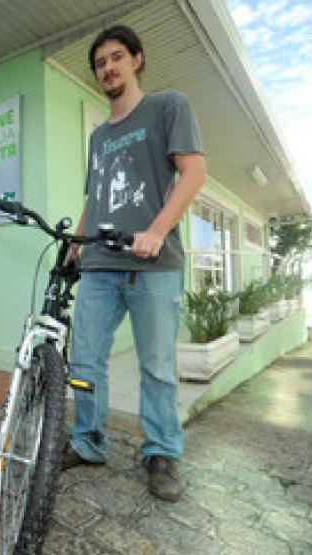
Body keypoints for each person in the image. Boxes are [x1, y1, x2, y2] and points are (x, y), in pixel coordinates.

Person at [61, 25, 206, 502]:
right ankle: (88, 442)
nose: (108, 68)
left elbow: (194, 171)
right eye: (101, 62)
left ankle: (161, 453)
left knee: (158, 367)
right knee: (85, 359)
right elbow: (95, 195)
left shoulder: (168, 106)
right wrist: (77, 243)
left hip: (154, 264)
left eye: (116, 57)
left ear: (137, 60)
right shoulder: (99, 136)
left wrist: (158, 229)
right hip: (100, 265)